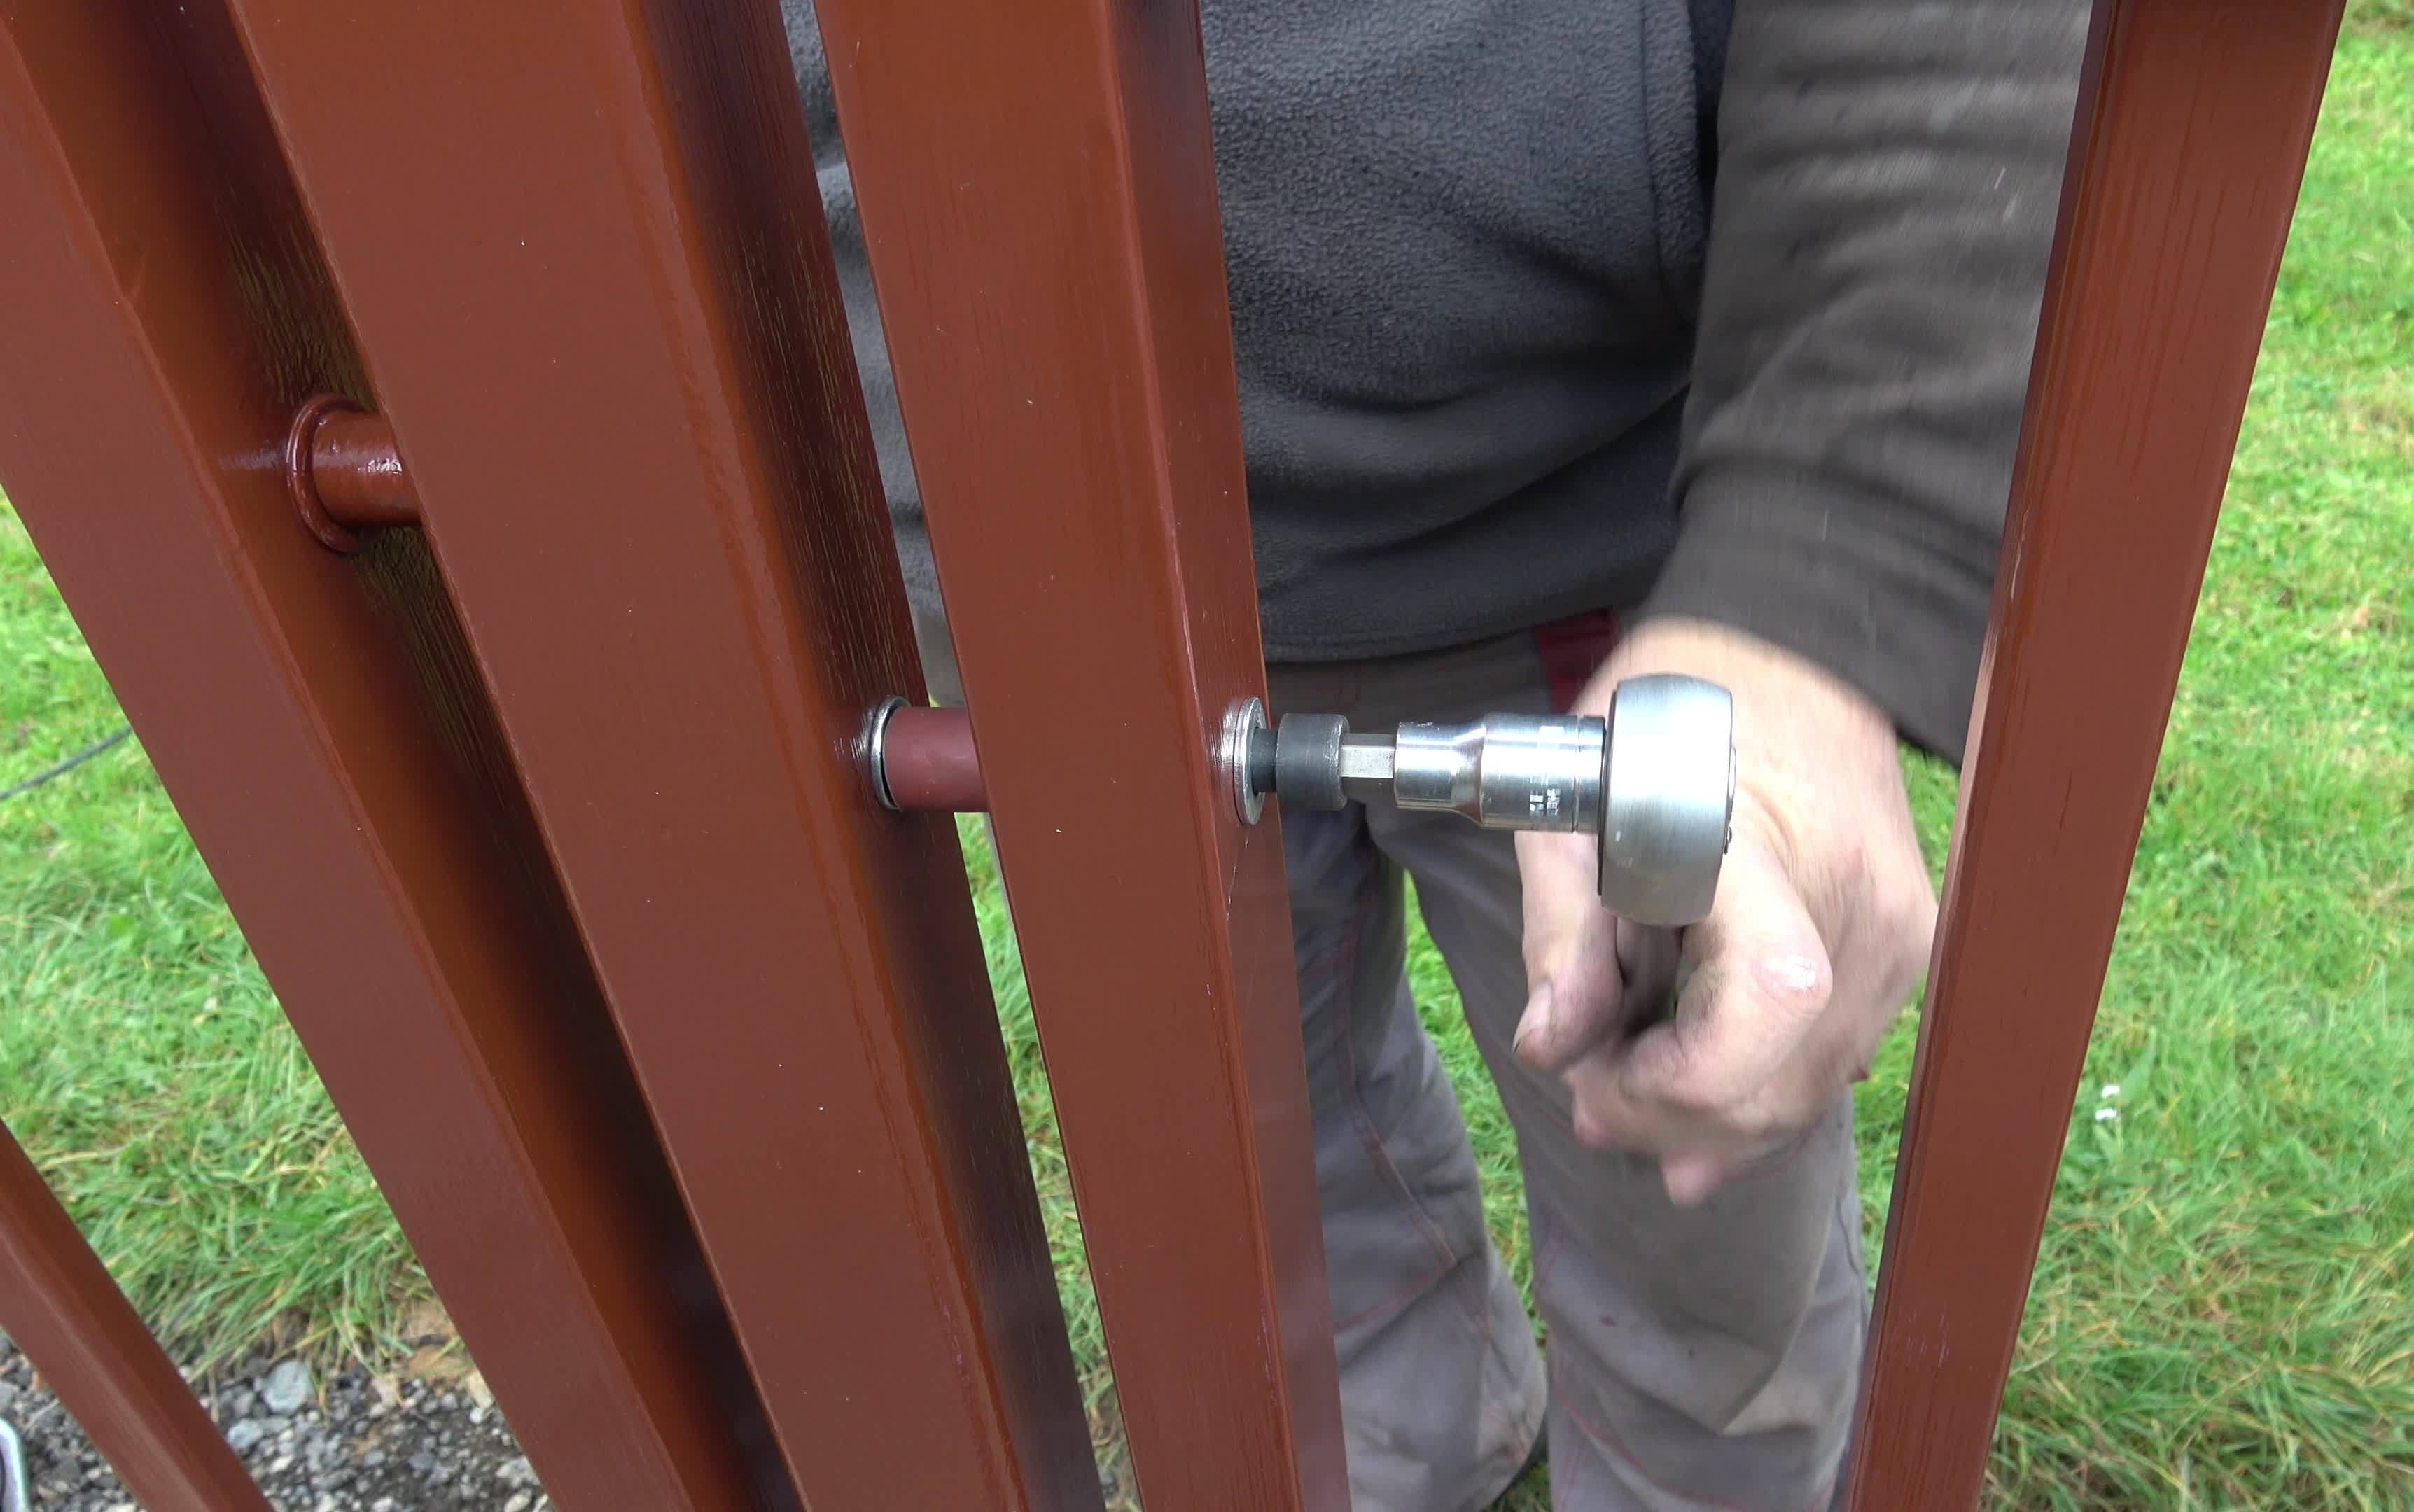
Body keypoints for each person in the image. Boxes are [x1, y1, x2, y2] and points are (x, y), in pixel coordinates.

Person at [788, 0, 2085, 1506]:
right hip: (1041, 586)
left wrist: (1810, 573)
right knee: (1265, 1142)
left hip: (1559, 564)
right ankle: (1409, 1437)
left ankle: (1693, 1473)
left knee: (1677, 1163)